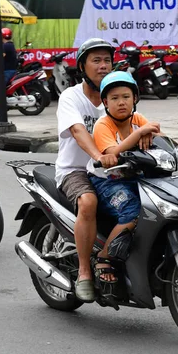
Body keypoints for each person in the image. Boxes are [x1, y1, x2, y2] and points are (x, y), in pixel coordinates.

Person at [55, 38, 154, 302]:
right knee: (88, 201)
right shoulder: (70, 97)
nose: (102, 66)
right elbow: (77, 131)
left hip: (117, 168)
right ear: (82, 67)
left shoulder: (115, 94)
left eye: (107, 60)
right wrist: (100, 155)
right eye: (96, 60)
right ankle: (86, 271)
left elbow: (137, 124)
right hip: (77, 169)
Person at [86, 71, 161, 287]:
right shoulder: (103, 125)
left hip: (135, 177)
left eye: (126, 97)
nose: (121, 103)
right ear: (105, 102)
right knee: (132, 211)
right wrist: (140, 134)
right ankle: (104, 256)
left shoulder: (138, 120)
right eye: (115, 98)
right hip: (106, 181)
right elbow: (113, 152)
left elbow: (159, 138)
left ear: (135, 99)